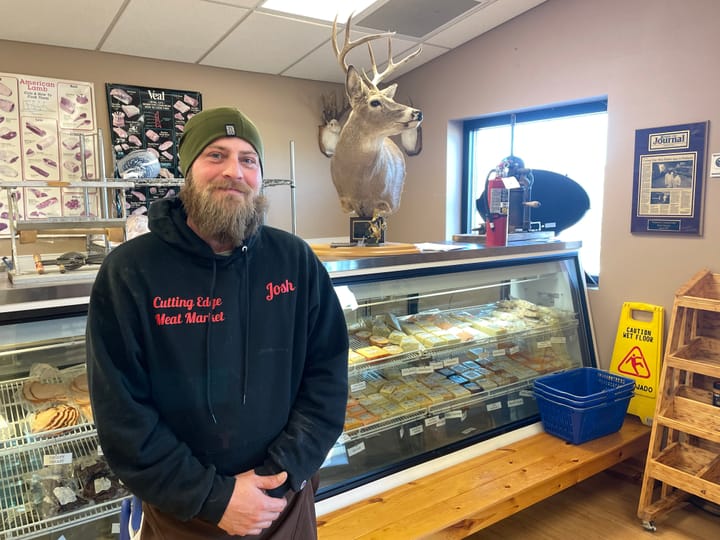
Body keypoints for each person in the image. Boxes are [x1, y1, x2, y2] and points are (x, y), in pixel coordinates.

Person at [86, 107, 349, 539]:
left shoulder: (295, 261)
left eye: (249, 159)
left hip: (284, 505)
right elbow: (123, 418)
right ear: (187, 172)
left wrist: (279, 479)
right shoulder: (129, 272)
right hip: (185, 514)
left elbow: (326, 381)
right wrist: (215, 498)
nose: (234, 171)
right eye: (216, 155)